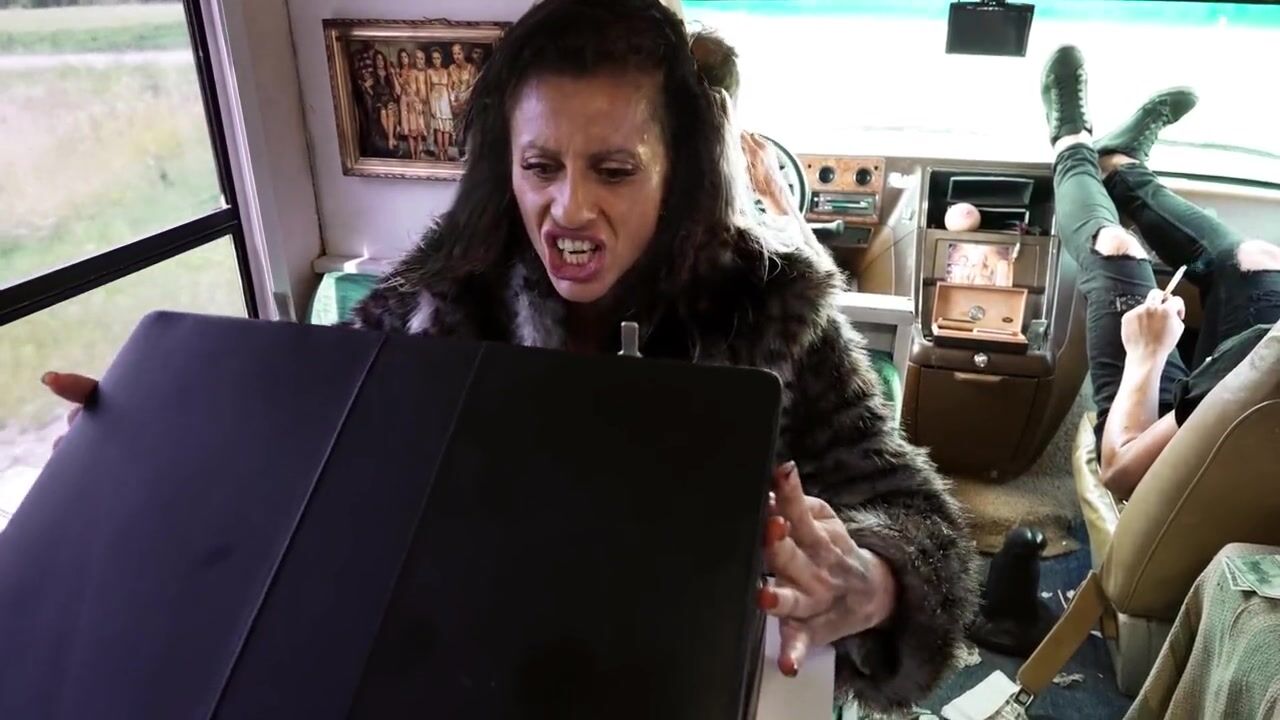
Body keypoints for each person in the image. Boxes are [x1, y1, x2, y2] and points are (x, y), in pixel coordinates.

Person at [42, 0, 978, 711]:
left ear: (680, 174)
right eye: (541, 167)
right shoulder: (444, 292)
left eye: (614, 170)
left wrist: (876, 581)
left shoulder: (771, 308)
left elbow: (919, 515)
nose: (569, 209)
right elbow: (306, 444)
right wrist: (148, 447)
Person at [1040, 44, 1280, 499]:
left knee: (1117, 249)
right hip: (1239, 392)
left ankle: (1071, 143)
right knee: (1257, 259)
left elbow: (1122, 471)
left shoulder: (1262, 370)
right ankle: (1123, 169)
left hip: (1182, 464)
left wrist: (1147, 353)